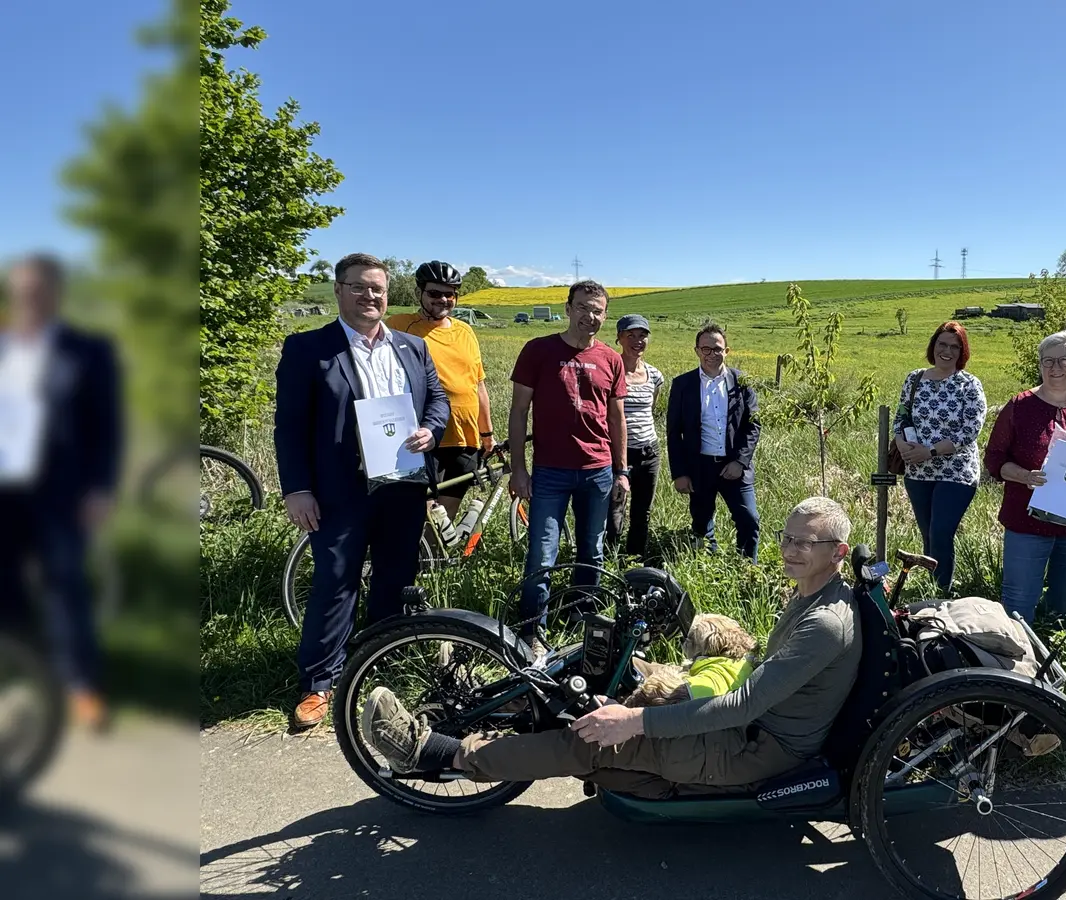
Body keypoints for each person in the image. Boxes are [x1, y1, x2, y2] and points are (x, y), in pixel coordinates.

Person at [359, 497, 862, 799]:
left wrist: (634, 721)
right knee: (602, 718)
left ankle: (432, 753)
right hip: (747, 730)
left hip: (756, 750)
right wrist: (661, 694)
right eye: (787, 538)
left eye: (806, 543)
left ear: (837, 552)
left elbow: (743, 705)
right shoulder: (814, 593)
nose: (790, 551)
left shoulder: (825, 622)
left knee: (592, 741)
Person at [275, 253, 449, 729]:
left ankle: (379, 662)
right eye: (359, 287)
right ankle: (319, 683)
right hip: (338, 491)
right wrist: (297, 489)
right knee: (335, 582)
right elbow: (289, 427)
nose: (370, 296)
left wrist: (432, 431)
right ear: (338, 290)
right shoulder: (309, 348)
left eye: (377, 289)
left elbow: (436, 400)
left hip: (403, 485)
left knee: (395, 577)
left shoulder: (411, 347)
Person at [0, 253, 122, 730]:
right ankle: (21, 675)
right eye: (22, 291)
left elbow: (107, 426)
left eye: (39, 291)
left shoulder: (88, 350)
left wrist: (102, 487)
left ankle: (80, 685)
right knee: (4, 588)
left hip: (60, 492)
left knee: (64, 586)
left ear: (54, 295)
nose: (30, 299)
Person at [507, 280, 628, 654]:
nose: (589, 316)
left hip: (598, 470)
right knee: (542, 551)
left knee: (592, 550)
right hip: (550, 472)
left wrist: (622, 471)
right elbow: (518, 412)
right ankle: (532, 629)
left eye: (597, 310)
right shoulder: (538, 351)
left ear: (605, 315)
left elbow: (617, 419)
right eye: (582, 308)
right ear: (568, 308)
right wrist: (518, 469)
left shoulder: (611, 358)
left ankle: (582, 616)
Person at [984, 330, 1066, 624]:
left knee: (1063, 605)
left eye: (1064, 360)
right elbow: (994, 458)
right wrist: (1024, 476)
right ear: (1040, 364)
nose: (1055, 368)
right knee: (1018, 603)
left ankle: (1052, 661)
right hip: (1026, 523)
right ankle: (1016, 664)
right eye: (1048, 361)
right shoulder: (1019, 406)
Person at [387, 261, 495, 525]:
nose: (443, 299)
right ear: (419, 293)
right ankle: (411, 563)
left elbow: (477, 384)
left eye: (450, 294)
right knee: (420, 514)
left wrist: (487, 434)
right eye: (435, 293)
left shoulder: (465, 331)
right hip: (424, 436)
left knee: (446, 515)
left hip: (464, 436)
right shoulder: (399, 325)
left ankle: (434, 564)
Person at [892, 321, 987, 592]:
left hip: (956, 472)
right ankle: (929, 590)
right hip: (918, 472)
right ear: (933, 346)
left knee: (941, 533)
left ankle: (941, 593)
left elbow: (970, 431)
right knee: (928, 535)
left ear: (962, 352)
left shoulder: (969, 384)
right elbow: (902, 415)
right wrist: (901, 444)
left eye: (954, 347)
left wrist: (930, 451)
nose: (947, 351)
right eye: (942, 344)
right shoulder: (914, 379)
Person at [665, 323, 761, 559]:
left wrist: (740, 461)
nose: (711, 355)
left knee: (749, 519)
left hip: (734, 467)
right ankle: (710, 565)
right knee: (701, 523)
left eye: (717, 349)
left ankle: (747, 569)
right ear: (697, 351)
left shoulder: (742, 382)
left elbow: (754, 424)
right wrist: (679, 473)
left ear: (727, 351)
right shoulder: (682, 385)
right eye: (705, 349)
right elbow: (673, 432)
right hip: (699, 467)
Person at [604, 313, 665, 558]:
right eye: (631, 335)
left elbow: (650, 410)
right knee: (614, 508)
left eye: (642, 336)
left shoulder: (655, 375)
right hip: (617, 453)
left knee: (642, 511)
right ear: (619, 338)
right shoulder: (609, 372)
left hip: (649, 452)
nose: (637, 341)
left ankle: (634, 561)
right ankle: (609, 558)